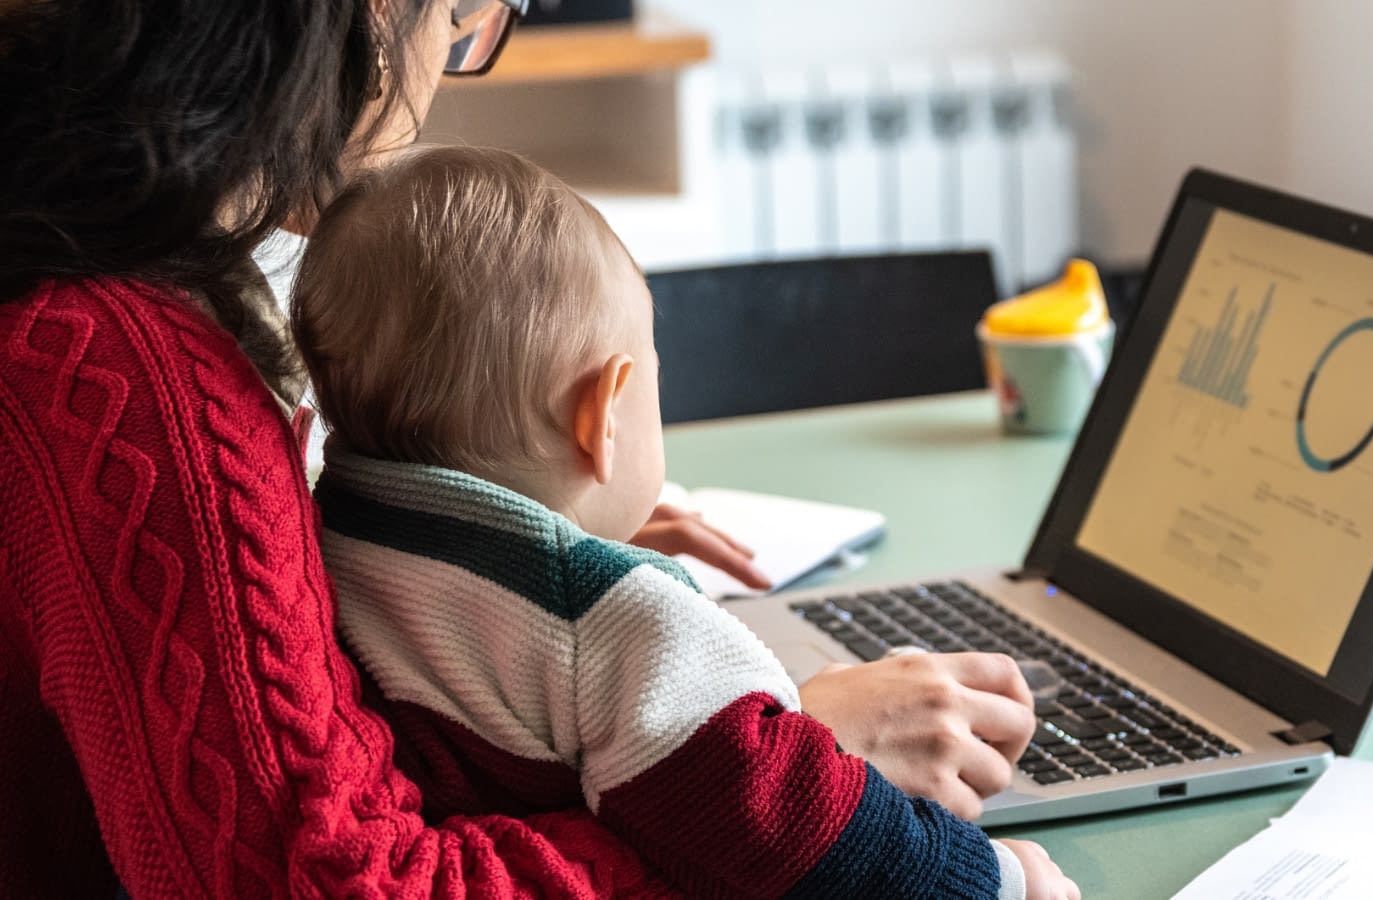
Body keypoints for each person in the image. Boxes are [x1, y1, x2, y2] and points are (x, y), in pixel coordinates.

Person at [0, 0, 1062, 896]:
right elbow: (343, 879)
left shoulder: (141, 271)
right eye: (466, 13)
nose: (446, 69)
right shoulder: (118, 355)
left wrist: (493, 534)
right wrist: (747, 781)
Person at [290, 143, 1076, 899]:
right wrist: (994, 880)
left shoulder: (333, 524)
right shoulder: (614, 618)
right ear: (602, 417)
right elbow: (790, 817)